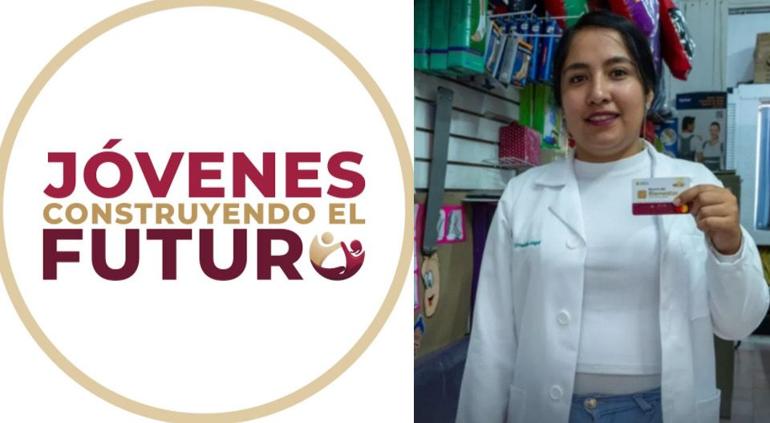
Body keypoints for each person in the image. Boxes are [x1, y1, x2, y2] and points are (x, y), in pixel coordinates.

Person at [456, 11, 769, 423]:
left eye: (618, 72)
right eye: (578, 78)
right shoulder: (524, 194)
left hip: (662, 409)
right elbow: (493, 336)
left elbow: (738, 324)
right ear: (561, 98)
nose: (598, 93)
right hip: (548, 409)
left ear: (649, 92)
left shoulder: (695, 185)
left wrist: (730, 247)